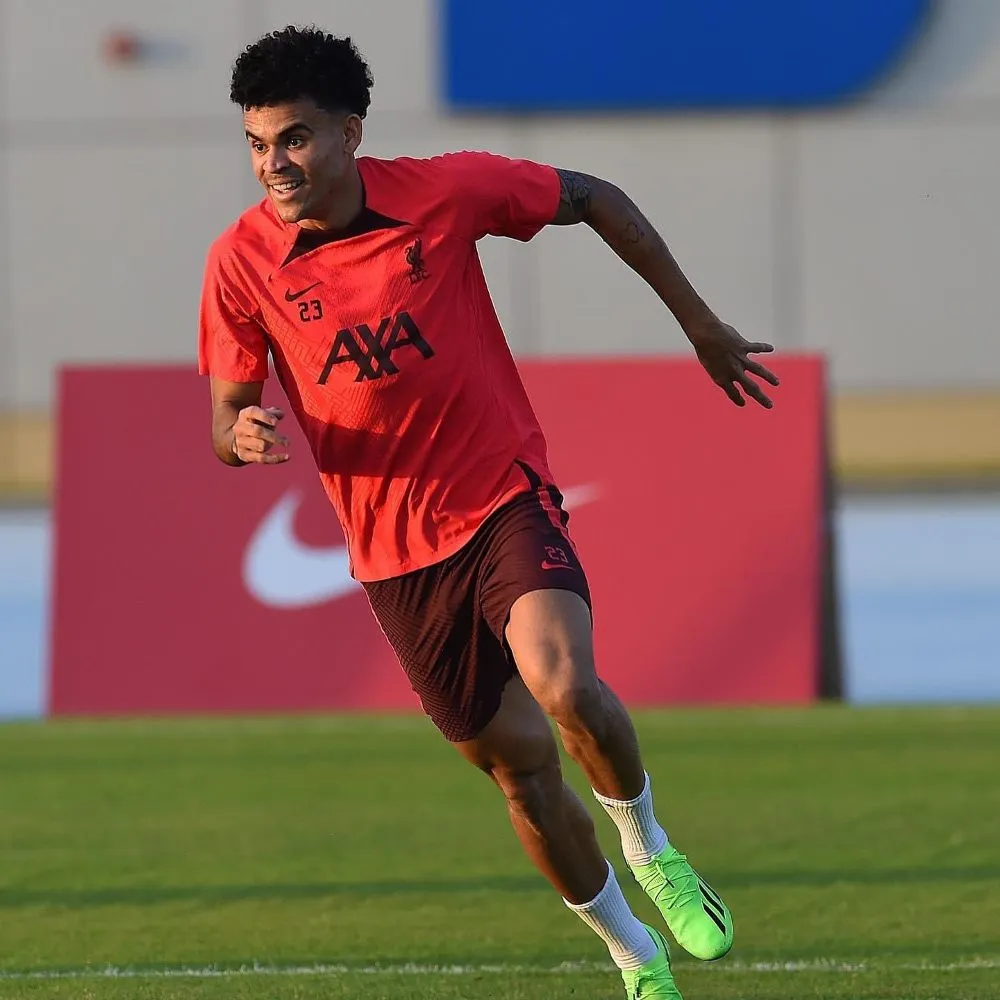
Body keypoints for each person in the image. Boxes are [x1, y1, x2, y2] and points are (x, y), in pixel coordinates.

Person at [199, 26, 779, 1000]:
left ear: (349, 133)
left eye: (293, 138)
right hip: (392, 555)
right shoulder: (240, 262)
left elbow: (596, 198)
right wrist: (239, 433)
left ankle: (653, 848)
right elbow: (225, 412)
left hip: (500, 494)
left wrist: (700, 325)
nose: (274, 163)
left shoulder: (446, 191)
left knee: (565, 685)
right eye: (257, 144)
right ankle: (635, 957)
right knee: (521, 775)